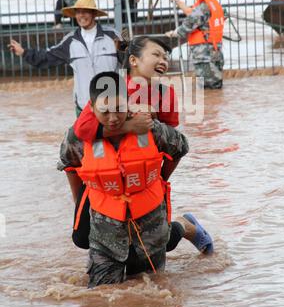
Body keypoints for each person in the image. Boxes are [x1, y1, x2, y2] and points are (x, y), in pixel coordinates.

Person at [58, 71, 213, 287]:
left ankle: (186, 226)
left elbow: (180, 146)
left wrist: (161, 177)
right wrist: (80, 202)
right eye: (105, 111)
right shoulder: (76, 137)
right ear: (91, 108)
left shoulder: (148, 127)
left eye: (119, 109)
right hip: (104, 230)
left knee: (153, 287)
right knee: (100, 297)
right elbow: (69, 165)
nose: (113, 118)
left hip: (150, 221)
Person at [8, 0, 120, 116]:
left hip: (113, 107)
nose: (81, 15)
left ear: (93, 14)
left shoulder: (113, 37)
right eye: (78, 12)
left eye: (85, 11)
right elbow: (47, 57)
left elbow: (130, 63)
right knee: (77, 135)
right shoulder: (70, 42)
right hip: (85, 108)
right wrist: (24, 52)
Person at [166, 0, 225, 89]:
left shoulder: (203, 7)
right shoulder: (213, 3)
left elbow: (188, 25)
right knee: (215, 87)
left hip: (204, 54)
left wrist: (174, 33)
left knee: (206, 91)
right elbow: (192, 13)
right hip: (214, 51)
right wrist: (178, 1)